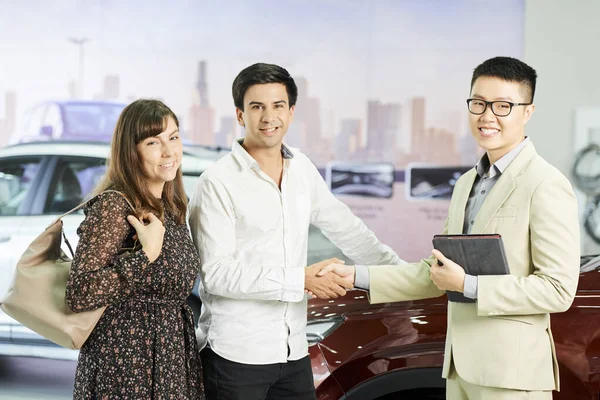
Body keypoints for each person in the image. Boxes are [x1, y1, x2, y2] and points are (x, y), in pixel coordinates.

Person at [320, 56, 580, 399]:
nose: (487, 116)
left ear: (527, 112)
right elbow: (436, 273)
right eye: (479, 103)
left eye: (503, 106)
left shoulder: (545, 184)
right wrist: (355, 276)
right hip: (459, 370)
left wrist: (469, 285)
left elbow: (557, 289)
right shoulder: (466, 183)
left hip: (511, 378)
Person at [188, 62, 402, 400]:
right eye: (256, 107)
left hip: (292, 352)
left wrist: (406, 276)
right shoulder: (217, 182)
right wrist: (300, 279)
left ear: (291, 112)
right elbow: (216, 275)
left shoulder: (301, 167)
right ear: (240, 115)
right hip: (235, 356)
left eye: (277, 106)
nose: (268, 116)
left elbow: (348, 230)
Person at [66, 99, 205, 399]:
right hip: (124, 366)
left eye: (174, 137)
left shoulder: (175, 207)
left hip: (171, 362)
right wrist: (144, 257)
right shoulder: (114, 206)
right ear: (132, 151)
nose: (169, 151)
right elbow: (79, 293)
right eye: (154, 142)